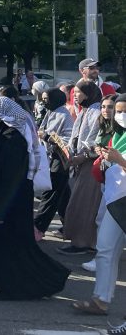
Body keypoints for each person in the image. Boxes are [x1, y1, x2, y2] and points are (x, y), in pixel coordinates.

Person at [0, 97, 70, 300]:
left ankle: (28, 284)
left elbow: (7, 180)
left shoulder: (12, 140)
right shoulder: (9, 135)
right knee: (10, 246)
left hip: (9, 204)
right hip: (11, 201)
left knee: (12, 247)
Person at [74, 95, 126, 319]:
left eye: (124, 111)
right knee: (105, 249)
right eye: (119, 111)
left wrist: (120, 160)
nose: (120, 115)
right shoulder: (119, 135)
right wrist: (108, 158)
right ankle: (100, 300)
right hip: (116, 200)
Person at [59, 80, 103, 255]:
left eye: (78, 92)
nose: (75, 95)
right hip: (82, 163)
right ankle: (84, 242)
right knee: (81, 203)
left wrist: (82, 156)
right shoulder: (87, 111)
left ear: (88, 93)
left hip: (90, 164)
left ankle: (83, 243)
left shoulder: (96, 111)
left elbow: (95, 141)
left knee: (84, 204)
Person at [33, 88, 75, 235]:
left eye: (46, 99)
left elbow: (68, 140)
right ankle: (70, 226)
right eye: (43, 99)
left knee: (50, 193)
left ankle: (38, 227)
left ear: (55, 99)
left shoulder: (64, 115)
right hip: (50, 156)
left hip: (60, 158)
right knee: (63, 196)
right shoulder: (52, 111)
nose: (44, 102)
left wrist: (47, 137)